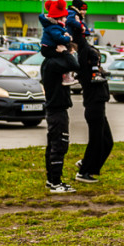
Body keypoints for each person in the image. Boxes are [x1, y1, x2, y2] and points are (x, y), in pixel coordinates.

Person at [72, 0, 112, 183]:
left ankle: (87, 164)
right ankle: (84, 172)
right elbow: (81, 44)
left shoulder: (88, 55)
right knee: (97, 141)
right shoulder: (84, 60)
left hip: (98, 105)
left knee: (107, 142)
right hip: (94, 106)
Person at [40, 43, 80, 193]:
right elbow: (75, 65)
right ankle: (55, 182)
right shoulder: (53, 63)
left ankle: (52, 180)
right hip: (57, 110)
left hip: (55, 109)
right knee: (59, 145)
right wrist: (65, 53)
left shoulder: (49, 62)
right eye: (71, 51)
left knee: (53, 145)